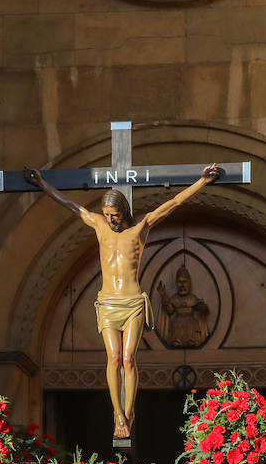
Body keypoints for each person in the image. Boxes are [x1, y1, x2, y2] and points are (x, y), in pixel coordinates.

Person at [23, 164, 222, 439]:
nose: (110, 219)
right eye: (106, 214)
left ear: (123, 211)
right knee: (113, 358)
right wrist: (43, 184)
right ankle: (118, 414)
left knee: (128, 359)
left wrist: (202, 181)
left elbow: (174, 202)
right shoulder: (99, 225)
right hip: (107, 303)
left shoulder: (140, 228)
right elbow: (71, 206)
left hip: (132, 304)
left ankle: (129, 412)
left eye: (114, 215)